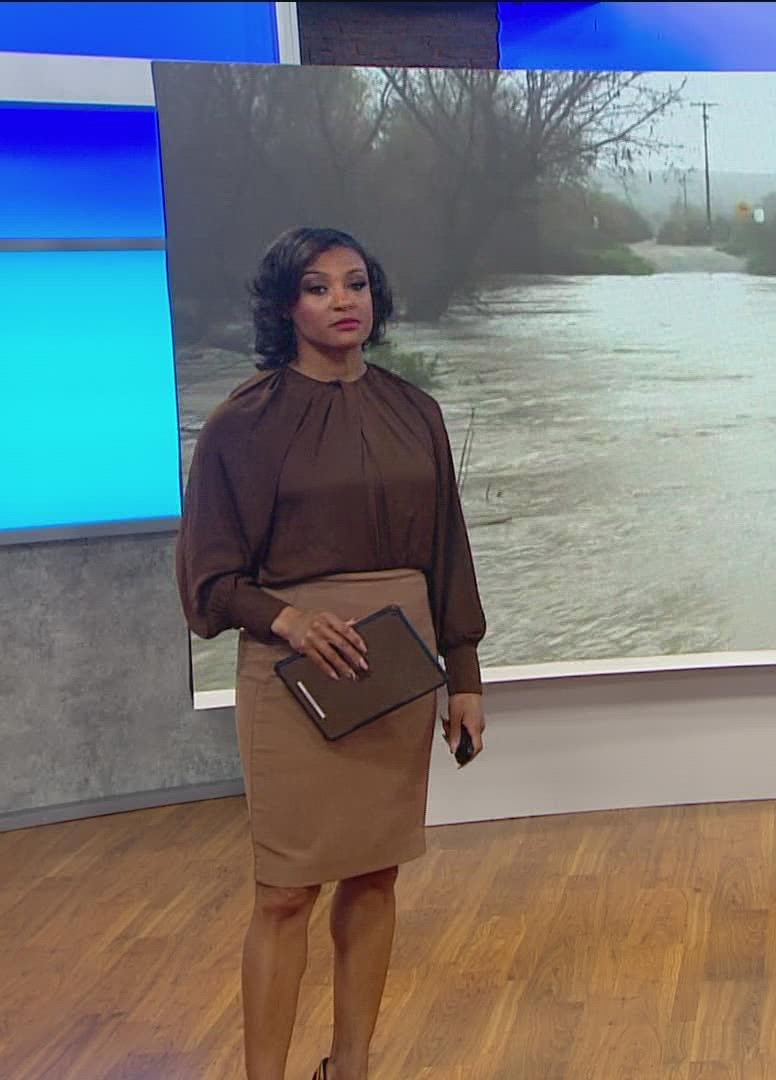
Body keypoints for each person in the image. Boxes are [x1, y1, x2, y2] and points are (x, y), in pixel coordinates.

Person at [177, 226, 488, 1080]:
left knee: (376, 878)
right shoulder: (242, 424)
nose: (343, 300)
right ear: (287, 306)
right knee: (283, 894)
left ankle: (350, 1066)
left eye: (356, 284)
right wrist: (287, 620)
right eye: (319, 287)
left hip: (395, 668)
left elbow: (447, 553)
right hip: (291, 673)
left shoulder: (414, 412)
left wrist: (463, 674)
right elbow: (208, 581)